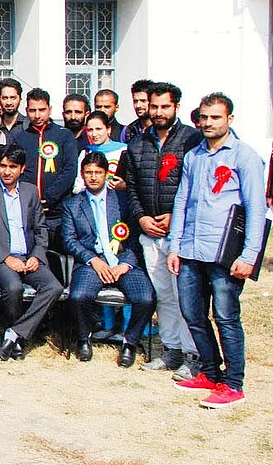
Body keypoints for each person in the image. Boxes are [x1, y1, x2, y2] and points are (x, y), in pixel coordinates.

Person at [166, 93, 265, 409]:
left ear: (229, 120)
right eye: (204, 117)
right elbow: (182, 201)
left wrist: (249, 255)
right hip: (191, 251)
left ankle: (233, 384)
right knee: (193, 315)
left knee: (225, 317)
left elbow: (256, 208)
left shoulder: (244, 157)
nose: (208, 123)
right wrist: (175, 245)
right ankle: (209, 372)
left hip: (225, 255)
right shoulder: (194, 155)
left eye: (216, 117)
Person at [120, 81, 201, 377]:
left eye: (164, 106)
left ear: (176, 107)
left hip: (180, 233)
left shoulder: (191, 140)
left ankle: (194, 355)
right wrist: (141, 218)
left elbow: (195, 188)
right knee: (163, 294)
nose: (158, 112)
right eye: (154, 106)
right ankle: (171, 350)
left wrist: (174, 217)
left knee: (185, 296)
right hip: (149, 231)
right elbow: (132, 189)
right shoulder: (138, 143)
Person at [61, 151, 155, 366]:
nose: (93, 177)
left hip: (123, 261)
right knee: (78, 297)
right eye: (88, 172)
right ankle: (84, 339)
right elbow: (69, 240)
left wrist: (125, 264)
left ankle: (130, 342)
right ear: (82, 175)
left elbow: (135, 238)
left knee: (146, 298)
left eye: (98, 172)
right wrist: (93, 260)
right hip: (92, 262)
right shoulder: (72, 205)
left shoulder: (123, 202)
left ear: (106, 174)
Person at [0, 144, 62, 362]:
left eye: (13, 167)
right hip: (1, 259)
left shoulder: (30, 192)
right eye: (3, 166)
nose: (7, 171)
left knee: (54, 287)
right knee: (13, 287)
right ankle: (17, 338)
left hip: (30, 257)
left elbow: (41, 229)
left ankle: (14, 334)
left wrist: (37, 256)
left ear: (22, 168)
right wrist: (6, 258)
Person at [8, 88, 78, 237]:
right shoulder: (19, 137)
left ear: (50, 109)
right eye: (33, 110)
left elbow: (69, 170)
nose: (37, 115)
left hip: (57, 211)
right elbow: (16, 171)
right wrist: (31, 198)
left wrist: (49, 198)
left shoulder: (64, 135)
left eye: (42, 110)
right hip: (28, 209)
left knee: (58, 256)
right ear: (26, 110)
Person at [72, 111, 128, 194]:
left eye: (98, 129)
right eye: (90, 130)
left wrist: (124, 186)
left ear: (108, 129)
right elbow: (77, 186)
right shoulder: (86, 153)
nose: (94, 134)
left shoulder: (123, 150)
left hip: (119, 202)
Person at [122, 79, 153, 143]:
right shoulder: (128, 131)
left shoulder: (161, 129)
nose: (138, 105)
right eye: (135, 101)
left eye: (143, 101)